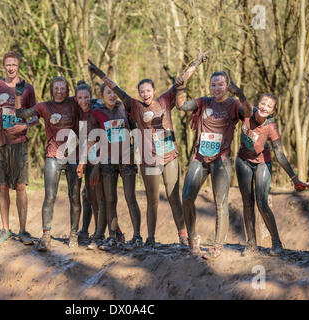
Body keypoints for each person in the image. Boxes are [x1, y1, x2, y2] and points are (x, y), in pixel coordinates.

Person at [88, 51, 208, 248]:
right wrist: (99, 74)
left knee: (173, 196)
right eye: (141, 91)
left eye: (148, 90)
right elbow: (117, 90)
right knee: (152, 200)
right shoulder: (134, 106)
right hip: (148, 160)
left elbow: (180, 81)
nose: (145, 94)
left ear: (153, 90)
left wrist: (196, 62)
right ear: (139, 93)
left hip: (169, 156)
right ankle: (150, 238)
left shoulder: (164, 101)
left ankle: (183, 235)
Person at [176, 71, 253, 259]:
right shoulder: (204, 102)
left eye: (220, 84)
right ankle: (193, 237)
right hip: (200, 157)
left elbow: (250, 113)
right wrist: (181, 87)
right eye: (213, 85)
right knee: (186, 197)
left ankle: (217, 245)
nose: (216, 88)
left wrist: (240, 94)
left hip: (222, 160)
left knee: (220, 203)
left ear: (227, 86)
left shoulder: (234, 104)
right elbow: (181, 106)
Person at [235, 93, 308, 256]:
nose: (264, 107)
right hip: (243, 161)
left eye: (269, 106)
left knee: (261, 202)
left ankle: (276, 243)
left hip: (262, 163)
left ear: (273, 111)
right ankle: (251, 244)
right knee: (247, 203)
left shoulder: (271, 127)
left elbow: (279, 154)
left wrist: (294, 178)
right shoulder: (246, 112)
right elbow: (228, 110)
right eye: (262, 103)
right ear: (257, 103)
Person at [15, 76, 81, 251]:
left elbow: (88, 103)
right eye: (56, 88)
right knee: (50, 196)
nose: (59, 91)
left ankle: (73, 235)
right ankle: (46, 235)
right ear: (52, 90)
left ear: (67, 90)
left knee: (74, 197)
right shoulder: (44, 106)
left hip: (73, 156)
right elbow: (21, 114)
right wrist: (18, 96)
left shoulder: (74, 103)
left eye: (62, 88)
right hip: (53, 155)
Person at [0, 51, 36, 246]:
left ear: (18, 66)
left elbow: (36, 115)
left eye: (14, 64)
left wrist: (25, 126)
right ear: (3, 66)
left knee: (20, 186)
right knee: (3, 186)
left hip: (19, 143)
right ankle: (5, 230)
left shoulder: (27, 88)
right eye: (8, 64)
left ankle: (23, 231)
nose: (11, 67)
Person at [84, 82, 141, 250]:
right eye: (108, 93)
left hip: (126, 159)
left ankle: (137, 237)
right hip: (107, 160)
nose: (112, 95)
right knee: (110, 200)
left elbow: (136, 130)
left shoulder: (124, 108)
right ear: (102, 95)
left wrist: (134, 148)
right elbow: (92, 140)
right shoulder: (97, 113)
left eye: (114, 92)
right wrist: (94, 165)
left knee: (130, 198)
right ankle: (113, 236)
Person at [74, 81, 107, 249]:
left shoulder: (97, 110)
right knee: (88, 196)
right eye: (80, 98)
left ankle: (103, 233)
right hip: (87, 158)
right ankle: (90, 231)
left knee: (98, 197)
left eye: (86, 97)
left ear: (91, 96)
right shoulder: (78, 113)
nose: (84, 100)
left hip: (99, 159)